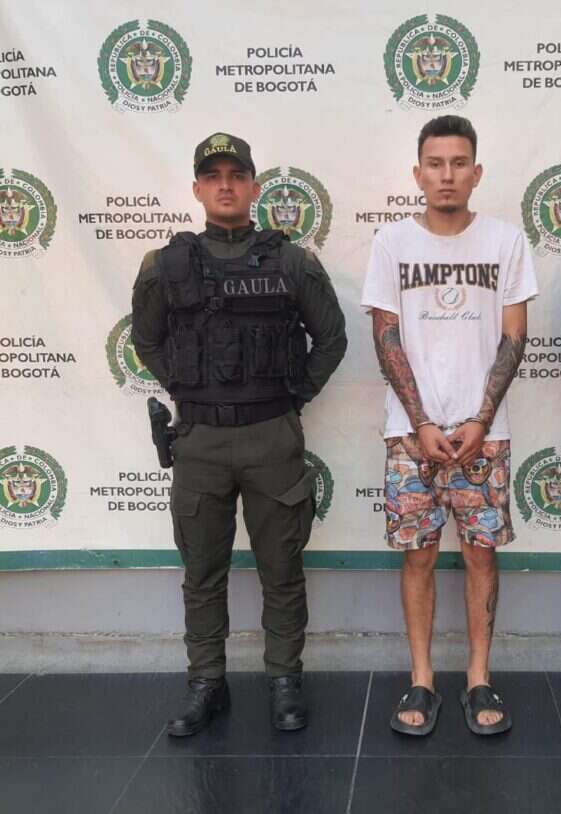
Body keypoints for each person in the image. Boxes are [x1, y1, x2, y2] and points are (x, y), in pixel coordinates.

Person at [131, 133, 347, 736]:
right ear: (197, 188)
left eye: (236, 175)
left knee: (282, 569)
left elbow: (332, 339)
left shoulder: (292, 263)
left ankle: (285, 680)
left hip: (270, 438)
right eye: (213, 176)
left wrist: (293, 397)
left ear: (254, 187)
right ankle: (207, 683)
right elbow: (146, 339)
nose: (225, 185)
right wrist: (188, 388)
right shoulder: (165, 266)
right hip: (199, 442)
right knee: (202, 572)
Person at [361, 115, 538, 736]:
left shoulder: (505, 241)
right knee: (419, 557)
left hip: (485, 436)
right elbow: (385, 337)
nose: (447, 175)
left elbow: (515, 337)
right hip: (410, 436)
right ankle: (422, 680)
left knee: (481, 556)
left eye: (459, 163)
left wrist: (480, 420)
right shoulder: (391, 243)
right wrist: (421, 422)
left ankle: (479, 678)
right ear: (418, 173)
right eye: (435, 164)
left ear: (476, 172)